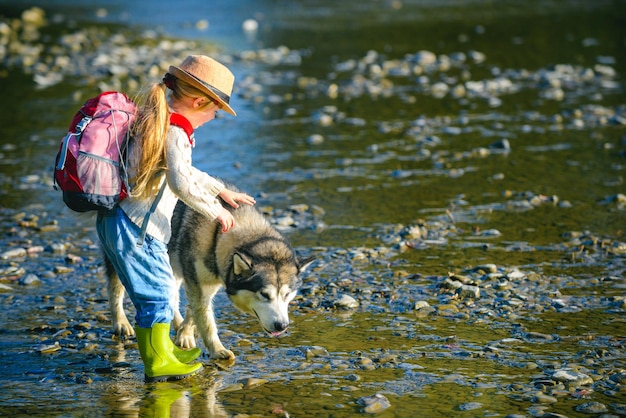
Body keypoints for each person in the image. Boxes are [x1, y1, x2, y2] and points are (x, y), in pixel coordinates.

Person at [96, 55, 256, 383]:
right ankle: (157, 363)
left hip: (117, 220)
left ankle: (165, 352)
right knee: (156, 294)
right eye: (214, 111)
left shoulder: (158, 119)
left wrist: (219, 191)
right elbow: (180, 183)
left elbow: (183, 171)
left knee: (157, 290)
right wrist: (216, 212)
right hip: (139, 228)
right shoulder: (176, 131)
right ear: (199, 101)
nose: (213, 117)